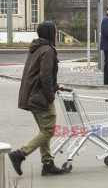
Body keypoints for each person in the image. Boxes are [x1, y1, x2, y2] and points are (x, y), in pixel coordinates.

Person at [8, 21, 67, 176]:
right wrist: (50, 95)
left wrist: (56, 85)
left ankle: (47, 164)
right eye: (54, 30)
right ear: (49, 33)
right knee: (49, 130)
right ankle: (20, 154)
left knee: (44, 130)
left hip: (31, 96)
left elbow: (38, 74)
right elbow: (45, 76)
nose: (56, 33)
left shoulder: (36, 48)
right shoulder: (48, 50)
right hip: (41, 97)